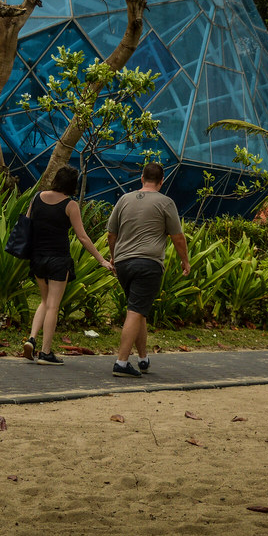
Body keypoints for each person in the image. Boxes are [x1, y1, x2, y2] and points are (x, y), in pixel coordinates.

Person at [23, 165, 115, 365]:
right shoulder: (70, 205)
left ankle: (31, 339)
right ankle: (46, 352)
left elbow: (27, 223)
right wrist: (101, 260)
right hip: (58, 259)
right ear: (73, 184)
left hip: (37, 257)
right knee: (53, 306)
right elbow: (82, 237)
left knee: (44, 301)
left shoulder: (37, 197)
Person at [106, 162, 190, 377]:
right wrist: (185, 261)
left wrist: (115, 257)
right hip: (148, 264)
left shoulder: (124, 199)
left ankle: (143, 359)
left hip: (124, 263)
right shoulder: (166, 202)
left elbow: (111, 233)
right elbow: (177, 237)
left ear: (141, 178)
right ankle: (121, 363)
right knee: (135, 311)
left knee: (138, 310)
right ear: (161, 182)